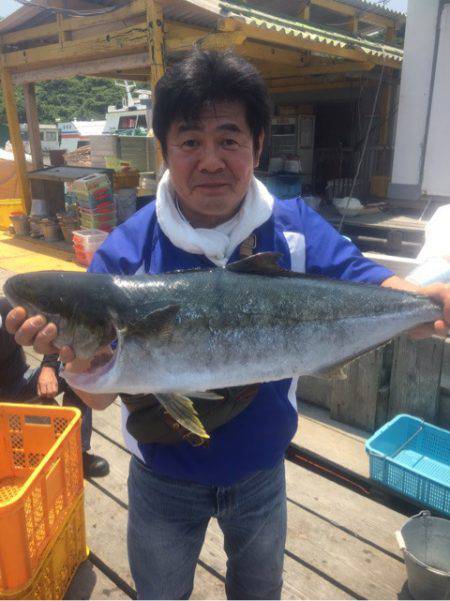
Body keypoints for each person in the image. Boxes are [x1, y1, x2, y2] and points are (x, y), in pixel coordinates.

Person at [5, 50, 450, 600]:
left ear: (258, 146)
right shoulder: (127, 252)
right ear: (165, 151)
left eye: (229, 138)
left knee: (259, 592)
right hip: (162, 478)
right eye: (190, 141)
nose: (211, 160)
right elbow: (96, 399)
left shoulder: (295, 230)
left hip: (263, 471)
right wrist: (72, 361)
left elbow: (368, 280)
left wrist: (427, 301)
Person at [0, 298, 109, 478]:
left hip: (21, 383)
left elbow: (53, 328)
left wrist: (48, 367)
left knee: (79, 370)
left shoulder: (8, 309)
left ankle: (76, 451)